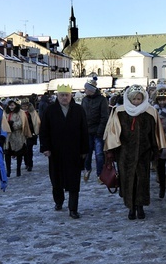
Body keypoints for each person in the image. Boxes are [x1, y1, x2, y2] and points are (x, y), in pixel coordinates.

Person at [104, 85, 166, 220]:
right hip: (125, 153)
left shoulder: (149, 112)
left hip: (144, 152)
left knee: (142, 180)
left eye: (139, 99)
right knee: (127, 180)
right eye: (134, 99)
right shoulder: (119, 112)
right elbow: (112, 131)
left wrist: (156, 150)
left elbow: (155, 133)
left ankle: (140, 206)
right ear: (129, 99)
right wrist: (111, 151)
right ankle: (130, 207)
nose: (137, 102)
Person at [39, 84, 89, 219]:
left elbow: (84, 130)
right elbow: (44, 131)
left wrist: (84, 149)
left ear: (71, 95)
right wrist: (46, 148)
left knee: (74, 180)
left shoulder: (78, 110)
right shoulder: (50, 110)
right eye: (62, 95)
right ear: (58, 96)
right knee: (56, 179)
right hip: (56, 152)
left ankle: (73, 208)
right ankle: (59, 201)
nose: (64, 97)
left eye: (67, 95)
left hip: (74, 151)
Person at [80, 79, 109, 182]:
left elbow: (104, 116)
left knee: (99, 154)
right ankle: (87, 169)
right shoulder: (84, 100)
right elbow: (82, 116)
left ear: (91, 90)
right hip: (87, 131)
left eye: (86, 89)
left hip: (98, 132)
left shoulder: (102, 100)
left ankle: (100, 174)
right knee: (86, 153)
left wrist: (100, 130)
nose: (85, 90)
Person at [3, 99, 32, 177]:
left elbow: (21, 123)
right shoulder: (5, 112)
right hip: (8, 137)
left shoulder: (21, 112)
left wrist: (12, 125)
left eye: (12, 105)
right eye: (10, 105)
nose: (11, 107)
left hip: (18, 136)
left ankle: (18, 169)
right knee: (7, 154)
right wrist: (6, 126)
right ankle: (8, 170)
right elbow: (2, 121)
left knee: (19, 153)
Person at [21, 98, 40, 172]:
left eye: (26, 106)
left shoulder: (32, 112)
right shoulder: (20, 113)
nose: (25, 107)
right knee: (24, 149)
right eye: (23, 106)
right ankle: (26, 163)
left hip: (31, 133)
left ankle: (30, 164)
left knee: (29, 149)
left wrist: (35, 131)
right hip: (22, 134)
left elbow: (36, 122)